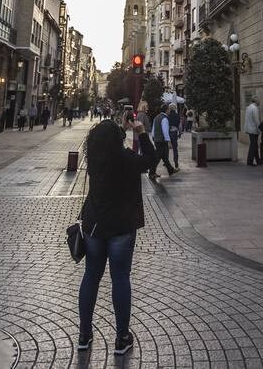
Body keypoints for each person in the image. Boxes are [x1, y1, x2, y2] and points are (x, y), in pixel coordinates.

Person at [78, 116, 156, 355]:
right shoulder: (126, 159)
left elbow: (108, 142)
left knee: (91, 276)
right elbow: (151, 160)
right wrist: (141, 132)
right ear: (118, 140)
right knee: (120, 278)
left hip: (94, 226)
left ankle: (84, 334)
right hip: (121, 227)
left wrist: (119, 129)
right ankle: (122, 337)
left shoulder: (95, 159)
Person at [149, 103, 176, 180]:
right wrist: (168, 141)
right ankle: (152, 172)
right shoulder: (164, 118)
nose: (169, 111)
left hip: (157, 140)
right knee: (158, 157)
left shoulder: (156, 117)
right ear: (166, 110)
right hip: (162, 141)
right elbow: (165, 131)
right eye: (169, 109)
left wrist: (153, 137)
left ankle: (170, 170)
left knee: (164, 156)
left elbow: (153, 129)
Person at [244, 96, 261, 166]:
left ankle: (258, 160)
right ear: (256, 101)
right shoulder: (255, 108)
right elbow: (256, 120)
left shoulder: (248, 107)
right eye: (259, 100)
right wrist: (259, 129)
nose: (259, 102)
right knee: (253, 145)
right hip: (254, 129)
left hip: (249, 128)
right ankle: (250, 161)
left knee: (254, 145)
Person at [167, 103, 181, 169]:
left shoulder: (167, 116)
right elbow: (180, 126)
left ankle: (166, 162)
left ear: (169, 108)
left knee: (166, 148)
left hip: (168, 132)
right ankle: (176, 163)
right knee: (175, 149)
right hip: (174, 133)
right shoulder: (177, 115)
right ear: (175, 108)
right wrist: (180, 133)